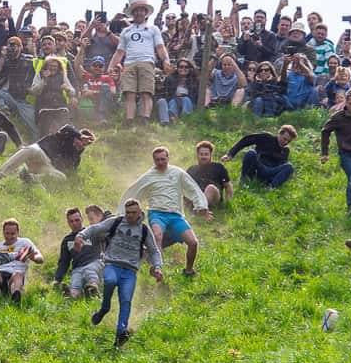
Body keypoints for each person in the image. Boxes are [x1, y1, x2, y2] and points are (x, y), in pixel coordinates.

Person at [74, 198, 164, 347]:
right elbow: (96, 228)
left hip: (130, 271)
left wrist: (158, 267)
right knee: (110, 281)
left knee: (126, 301)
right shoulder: (116, 222)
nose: (130, 215)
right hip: (112, 264)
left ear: (140, 213)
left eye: (133, 212)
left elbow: (154, 251)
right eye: (127, 212)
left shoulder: (144, 230)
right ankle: (104, 309)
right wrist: (80, 236)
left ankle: (120, 335)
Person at [120, 147, 212, 275]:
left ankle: (189, 270)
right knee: (157, 235)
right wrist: (121, 214)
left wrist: (201, 206)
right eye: (157, 160)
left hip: (176, 215)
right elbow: (133, 192)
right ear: (153, 160)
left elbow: (192, 189)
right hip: (156, 213)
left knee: (193, 242)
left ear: (168, 158)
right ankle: (157, 268)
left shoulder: (178, 173)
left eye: (163, 159)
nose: (160, 162)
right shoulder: (149, 176)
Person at [107, 0, 171, 124]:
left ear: (146, 12)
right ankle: (129, 120)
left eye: (141, 10)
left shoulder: (153, 29)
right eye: (136, 10)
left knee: (146, 92)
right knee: (129, 93)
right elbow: (120, 51)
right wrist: (111, 66)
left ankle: (144, 119)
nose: (139, 13)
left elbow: (160, 47)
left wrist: (166, 60)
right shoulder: (126, 31)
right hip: (129, 63)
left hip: (147, 62)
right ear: (132, 13)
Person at [0, 125, 96, 183]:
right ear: (77, 136)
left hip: (46, 166)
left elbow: (67, 171)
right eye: (82, 141)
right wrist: (79, 135)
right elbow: (67, 128)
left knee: (62, 177)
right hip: (40, 152)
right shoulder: (66, 135)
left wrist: (76, 152)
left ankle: (29, 177)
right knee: (31, 149)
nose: (83, 145)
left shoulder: (76, 158)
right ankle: (0, 174)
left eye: (86, 144)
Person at [0, 219, 44, 303]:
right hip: (0, 277)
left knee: (18, 274)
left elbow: (40, 258)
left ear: (18, 233)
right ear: (3, 232)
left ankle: (16, 296)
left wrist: (34, 257)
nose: (9, 237)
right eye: (7, 233)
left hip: (15, 275)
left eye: (12, 234)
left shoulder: (25, 242)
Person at [222, 125, 297, 188]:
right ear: (279, 134)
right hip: (257, 167)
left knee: (289, 167)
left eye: (288, 141)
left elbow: (282, 166)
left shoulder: (285, 150)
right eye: (284, 139)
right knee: (251, 152)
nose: (286, 142)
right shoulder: (266, 137)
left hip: (270, 172)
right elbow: (246, 140)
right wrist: (230, 154)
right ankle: (244, 180)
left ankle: (270, 188)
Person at [54, 207, 103, 298]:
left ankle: (93, 288)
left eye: (77, 220)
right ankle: (72, 294)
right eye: (71, 221)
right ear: (68, 223)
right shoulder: (67, 240)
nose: (74, 223)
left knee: (90, 271)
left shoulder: (91, 232)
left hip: (94, 263)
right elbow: (64, 262)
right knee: (75, 283)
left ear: (82, 219)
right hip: (78, 268)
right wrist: (57, 279)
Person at [186, 141, 233, 208]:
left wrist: (228, 203)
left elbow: (228, 186)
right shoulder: (192, 169)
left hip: (214, 196)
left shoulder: (219, 167)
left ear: (210, 155)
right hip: (197, 196)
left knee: (210, 188)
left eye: (206, 154)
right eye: (201, 154)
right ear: (197, 155)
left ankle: (200, 208)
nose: (203, 157)